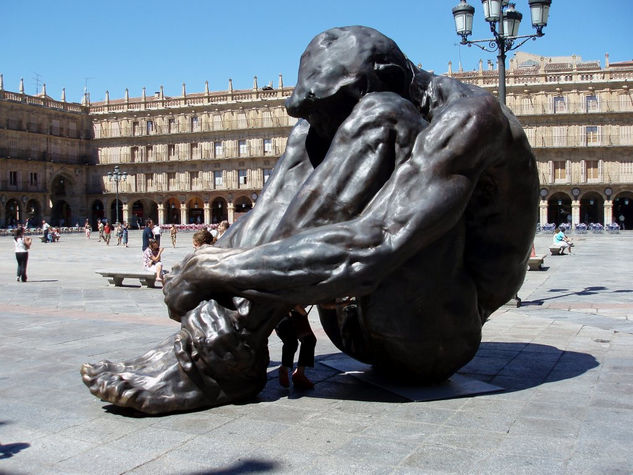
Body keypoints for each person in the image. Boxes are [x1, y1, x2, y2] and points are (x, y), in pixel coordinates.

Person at [82, 26, 538, 415]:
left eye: (333, 102)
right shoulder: (327, 122)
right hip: (351, 324)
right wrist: (211, 287)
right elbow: (267, 214)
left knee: (385, 116)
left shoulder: (471, 119)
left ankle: (218, 361)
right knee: (313, 133)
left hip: (433, 339)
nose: (321, 122)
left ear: (391, 78)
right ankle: (210, 344)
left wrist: (210, 270)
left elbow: (377, 243)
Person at [275, 305, 316, 389]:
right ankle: (284, 368)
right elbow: (289, 298)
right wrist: (303, 312)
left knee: (309, 339)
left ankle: (300, 373)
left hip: (297, 313)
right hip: (282, 312)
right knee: (291, 342)